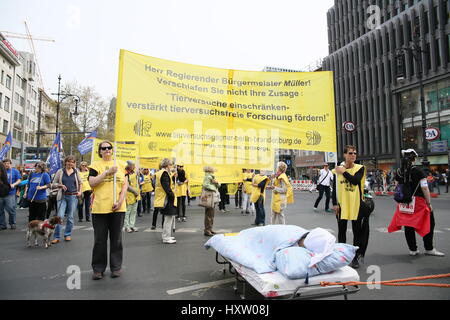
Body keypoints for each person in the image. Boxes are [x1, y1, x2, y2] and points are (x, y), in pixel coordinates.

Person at [388, 149, 444, 257]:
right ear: (414, 158)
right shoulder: (418, 170)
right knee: (429, 223)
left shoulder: (399, 171)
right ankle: (429, 248)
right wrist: (429, 203)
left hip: (404, 202)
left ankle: (413, 249)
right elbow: (424, 188)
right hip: (418, 202)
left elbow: (397, 186)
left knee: (408, 225)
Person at [88, 141, 128, 280]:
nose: (106, 150)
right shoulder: (94, 166)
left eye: (109, 148)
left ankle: (116, 267)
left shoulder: (122, 164)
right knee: (100, 240)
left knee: (116, 239)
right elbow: (92, 182)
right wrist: (107, 172)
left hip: (118, 207)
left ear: (112, 150)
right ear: (100, 151)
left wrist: (120, 201)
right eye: (103, 148)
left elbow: (125, 186)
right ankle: (98, 269)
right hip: (100, 208)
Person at [332, 145, 368, 269]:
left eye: (355, 153)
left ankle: (355, 257)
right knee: (341, 231)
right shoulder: (337, 170)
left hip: (356, 205)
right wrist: (335, 204)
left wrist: (344, 172)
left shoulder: (360, 168)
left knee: (357, 232)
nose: (353, 155)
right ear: (345, 155)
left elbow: (355, 180)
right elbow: (334, 188)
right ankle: (342, 255)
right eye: (350, 153)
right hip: (342, 205)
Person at [52, 155, 82, 244]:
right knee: (60, 216)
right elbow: (53, 183)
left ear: (74, 163)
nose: (70, 163)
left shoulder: (76, 172)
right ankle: (56, 236)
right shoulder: (60, 171)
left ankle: (67, 234)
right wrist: (60, 185)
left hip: (73, 196)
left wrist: (80, 192)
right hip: (62, 196)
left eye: (72, 162)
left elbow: (81, 183)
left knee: (70, 217)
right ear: (65, 162)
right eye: (69, 161)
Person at [154, 158, 178, 244]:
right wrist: (172, 195)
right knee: (168, 218)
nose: (171, 166)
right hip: (166, 198)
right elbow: (167, 187)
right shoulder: (164, 174)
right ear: (167, 165)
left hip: (164, 198)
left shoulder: (162, 173)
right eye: (171, 165)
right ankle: (166, 237)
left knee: (168, 218)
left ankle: (166, 235)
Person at [1, 159, 21, 230]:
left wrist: (14, 184)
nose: (6, 165)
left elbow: (19, 180)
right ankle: (2, 225)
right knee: (0, 210)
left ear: (10, 164)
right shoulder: (1, 171)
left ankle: (12, 223)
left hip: (10, 193)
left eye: (8, 163)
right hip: (1, 193)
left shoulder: (15, 171)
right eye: (5, 163)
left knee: (11, 209)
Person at [202, 166, 220, 236]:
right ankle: (207, 230)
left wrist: (216, 183)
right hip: (209, 196)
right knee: (209, 213)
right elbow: (205, 185)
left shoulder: (212, 177)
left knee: (211, 213)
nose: (214, 170)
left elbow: (218, 185)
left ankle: (209, 228)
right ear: (210, 170)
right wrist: (214, 188)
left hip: (212, 196)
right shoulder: (208, 177)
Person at [124, 160, 140, 233]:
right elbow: (126, 185)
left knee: (134, 211)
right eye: (133, 165)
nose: (134, 166)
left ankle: (132, 225)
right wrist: (134, 191)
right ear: (129, 166)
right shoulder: (125, 173)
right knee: (128, 211)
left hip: (136, 194)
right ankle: (126, 226)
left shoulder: (135, 173)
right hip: (129, 194)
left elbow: (137, 182)